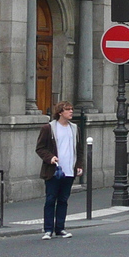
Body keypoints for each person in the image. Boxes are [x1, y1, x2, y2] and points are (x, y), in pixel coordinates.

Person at [35, 101, 85, 240]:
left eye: (71, 109)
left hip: (69, 169)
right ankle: (48, 229)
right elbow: (40, 148)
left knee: (63, 200)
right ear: (60, 112)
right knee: (51, 199)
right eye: (67, 109)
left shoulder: (75, 128)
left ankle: (60, 228)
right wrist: (50, 158)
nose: (71, 112)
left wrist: (79, 165)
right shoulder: (48, 128)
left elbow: (79, 149)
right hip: (54, 170)